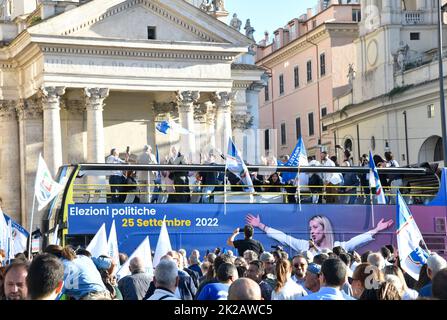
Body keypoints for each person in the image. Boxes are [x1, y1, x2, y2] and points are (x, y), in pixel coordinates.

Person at [246, 214, 393, 254]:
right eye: (310, 228)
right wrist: (260, 225)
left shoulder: (338, 247)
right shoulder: (304, 246)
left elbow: (357, 241)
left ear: (325, 229)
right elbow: (284, 238)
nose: (312, 232)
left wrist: (377, 229)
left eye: (315, 227)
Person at [44, 245, 110, 300]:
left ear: (51, 260)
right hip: (105, 295)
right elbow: (109, 263)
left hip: (91, 297)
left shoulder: (61, 268)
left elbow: (55, 295)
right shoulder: (84, 257)